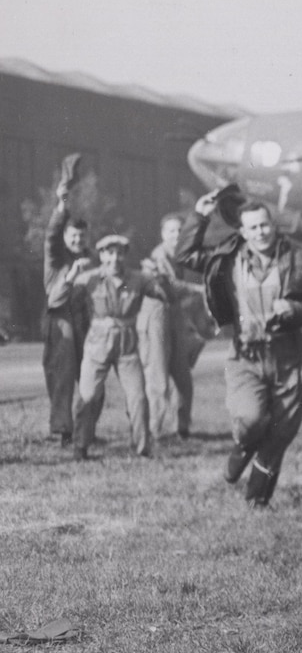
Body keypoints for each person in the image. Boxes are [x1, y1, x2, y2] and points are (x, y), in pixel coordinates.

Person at [178, 189, 302, 507]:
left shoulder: (297, 258)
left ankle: (257, 497)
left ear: (272, 226)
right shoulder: (227, 257)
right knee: (250, 419)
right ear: (243, 232)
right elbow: (186, 256)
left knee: (282, 430)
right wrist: (199, 217)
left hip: (288, 354)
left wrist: (294, 308)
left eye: (264, 225)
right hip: (246, 354)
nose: (260, 233)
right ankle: (244, 447)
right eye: (253, 228)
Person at [70, 235, 165, 459]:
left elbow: (163, 295)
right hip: (97, 344)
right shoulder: (88, 279)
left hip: (127, 345)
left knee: (138, 397)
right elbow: (65, 300)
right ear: (101, 255)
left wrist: (161, 279)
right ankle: (80, 446)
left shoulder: (139, 279)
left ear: (125, 255)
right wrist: (70, 278)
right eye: (109, 253)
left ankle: (142, 447)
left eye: (119, 253)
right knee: (88, 395)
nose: (115, 258)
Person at [137, 214, 212, 442]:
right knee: (158, 377)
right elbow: (169, 286)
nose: (176, 235)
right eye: (171, 231)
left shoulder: (181, 255)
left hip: (175, 314)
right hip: (156, 315)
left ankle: (181, 427)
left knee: (183, 376)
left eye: (180, 231)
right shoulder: (158, 256)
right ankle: (155, 430)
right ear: (162, 234)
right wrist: (199, 289)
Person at [40, 167, 92, 444]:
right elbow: (52, 233)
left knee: (91, 373)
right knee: (62, 375)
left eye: (81, 237)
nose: (77, 240)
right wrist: (62, 204)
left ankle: (86, 430)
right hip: (60, 321)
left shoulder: (92, 258)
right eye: (72, 236)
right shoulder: (55, 258)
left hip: (85, 320)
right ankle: (62, 430)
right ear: (65, 237)